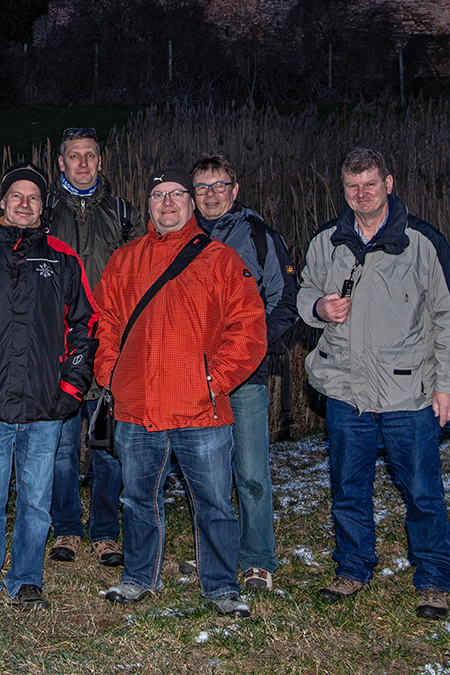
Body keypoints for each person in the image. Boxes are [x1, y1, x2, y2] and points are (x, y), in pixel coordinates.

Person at [295, 146, 450, 621]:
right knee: (348, 489)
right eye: (353, 186)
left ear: (389, 184)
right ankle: (353, 568)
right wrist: (319, 308)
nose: (361, 194)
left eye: (370, 184)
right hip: (346, 394)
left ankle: (434, 578)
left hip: (407, 395)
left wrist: (449, 384)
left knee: (421, 491)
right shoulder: (327, 242)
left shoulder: (423, 243)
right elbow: (305, 291)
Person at [92, 166, 265, 617]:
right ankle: (137, 577)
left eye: (176, 195)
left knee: (212, 502)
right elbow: (106, 322)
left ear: (190, 204)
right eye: (158, 196)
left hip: (200, 408)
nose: (167, 203)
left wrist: (214, 379)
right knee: (137, 499)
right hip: (138, 405)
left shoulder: (221, 259)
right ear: (148, 206)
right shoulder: (124, 260)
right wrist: (110, 373)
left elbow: (249, 329)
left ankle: (222, 585)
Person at [0, 162, 95, 610]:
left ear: (42, 207)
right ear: (2, 201)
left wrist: (72, 387)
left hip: (45, 407)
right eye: (16, 196)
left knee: (35, 504)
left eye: (33, 198)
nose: (24, 204)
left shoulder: (63, 258)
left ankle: (27, 579)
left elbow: (86, 325)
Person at [191, 154, 298, 593]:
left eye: (219, 186)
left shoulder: (259, 236)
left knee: (251, 471)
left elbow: (285, 302)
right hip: (192, 379)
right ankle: (213, 553)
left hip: (245, 378)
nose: (211, 194)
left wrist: (249, 350)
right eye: (201, 187)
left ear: (235, 191)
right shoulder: (179, 235)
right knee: (205, 475)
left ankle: (257, 559)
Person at [45, 127, 139, 567]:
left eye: (90, 156)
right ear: (60, 163)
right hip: (57, 351)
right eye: (73, 156)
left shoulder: (124, 214)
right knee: (61, 448)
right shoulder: (41, 212)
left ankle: (105, 531)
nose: (82, 163)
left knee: (107, 446)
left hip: (108, 353)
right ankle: (65, 527)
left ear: (101, 162)